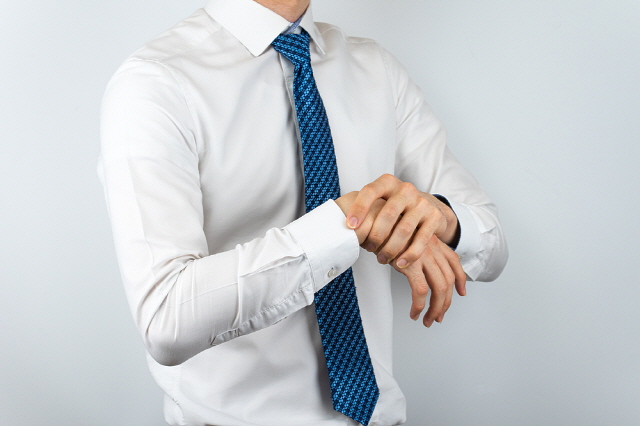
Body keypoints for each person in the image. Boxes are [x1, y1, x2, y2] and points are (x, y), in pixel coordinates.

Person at [97, 0, 508, 424]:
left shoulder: (375, 69)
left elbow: (491, 243)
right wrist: (343, 228)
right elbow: (166, 319)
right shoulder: (157, 83)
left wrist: (435, 217)